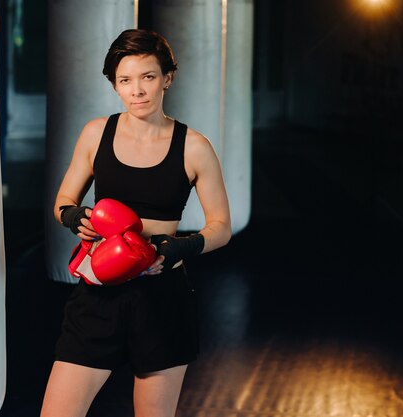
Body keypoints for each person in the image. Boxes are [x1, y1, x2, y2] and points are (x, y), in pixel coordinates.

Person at [40, 28, 232, 417]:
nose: (137, 90)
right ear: (114, 85)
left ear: (167, 79)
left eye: (148, 77)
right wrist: (75, 216)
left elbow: (221, 226)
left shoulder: (194, 146)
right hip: (97, 295)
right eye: (125, 80)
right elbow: (63, 202)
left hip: (161, 300)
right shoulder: (96, 134)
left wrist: (182, 245)